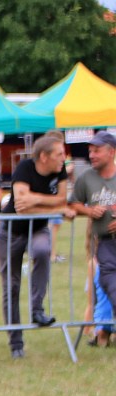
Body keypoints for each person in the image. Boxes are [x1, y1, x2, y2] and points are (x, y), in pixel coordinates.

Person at [0, 133, 71, 359]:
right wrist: (53, 206)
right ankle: (16, 342)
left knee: (41, 250)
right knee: (12, 287)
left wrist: (36, 198)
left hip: (38, 229)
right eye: (59, 154)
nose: (63, 158)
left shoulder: (59, 170)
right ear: (43, 156)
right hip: (11, 232)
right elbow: (22, 208)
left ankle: (37, 310)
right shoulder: (24, 168)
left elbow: (62, 199)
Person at [70, 132, 116, 340]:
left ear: (111, 152)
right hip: (105, 243)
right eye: (90, 151)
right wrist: (89, 211)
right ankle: (104, 331)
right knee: (109, 283)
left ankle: (105, 331)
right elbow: (73, 203)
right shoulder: (86, 178)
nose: (92, 155)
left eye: (97, 150)